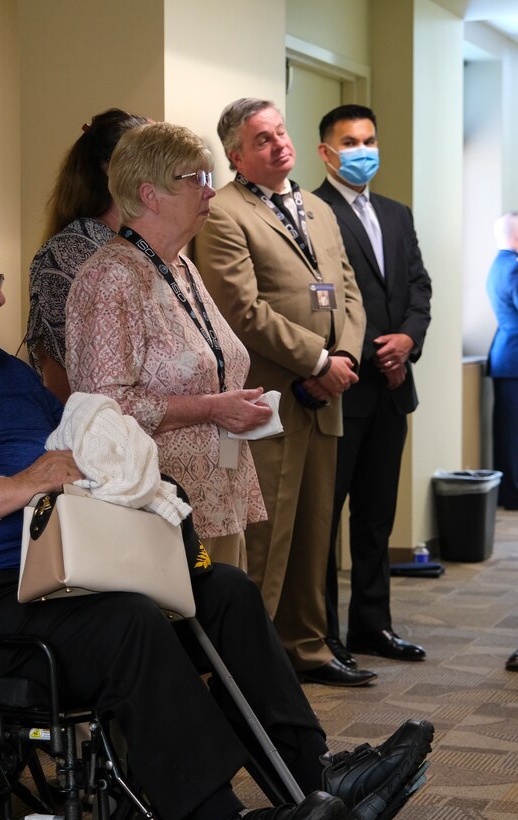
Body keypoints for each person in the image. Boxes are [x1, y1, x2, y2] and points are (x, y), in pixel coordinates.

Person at [0, 218, 434, 820]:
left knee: (224, 592)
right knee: (129, 622)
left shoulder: (4, 375)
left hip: (60, 572)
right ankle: (213, 813)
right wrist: (25, 484)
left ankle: (314, 775)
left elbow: (78, 444)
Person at [191, 99, 373, 687]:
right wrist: (316, 360)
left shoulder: (318, 209)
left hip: (325, 397)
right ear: (237, 155)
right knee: (267, 540)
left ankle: (308, 649)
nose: (279, 145)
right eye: (263, 139)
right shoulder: (222, 213)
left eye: (281, 132)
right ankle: (254, 669)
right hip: (268, 401)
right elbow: (240, 310)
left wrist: (342, 358)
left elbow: (347, 291)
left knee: (315, 535)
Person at [65, 122, 271, 570]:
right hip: (159, 506)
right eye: (194, 179)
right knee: (188, 635)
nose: (210, 192)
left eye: (208, 178)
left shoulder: (181, 268)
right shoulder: (112, 278)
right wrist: (213, 408)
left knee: (227, 629)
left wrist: (233, 404)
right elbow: (105, 409)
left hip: (217, 496)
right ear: (149, 194)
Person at [312, 105, 432, 667]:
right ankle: (323, 634)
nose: (364, 150)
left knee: (377, 516)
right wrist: (370, 352)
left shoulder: (397, 213)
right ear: (327, 152)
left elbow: (417, 288)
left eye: (370, 139)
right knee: (326, 519)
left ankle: (372, 625)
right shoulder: (313, 213)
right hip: (346, 387)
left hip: (393, 388)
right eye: (351, 141)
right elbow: (318, 302)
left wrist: (406, 342)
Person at [26, 108, 147, 402]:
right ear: (113, 168)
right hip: (98, 431)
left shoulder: (147, 246)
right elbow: (67, 375)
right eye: (152, 157)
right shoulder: (70, 251)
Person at [488, 212, 518, 512]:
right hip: (513, 359)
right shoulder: (513, 269)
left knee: (510, 430)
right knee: (511, 433)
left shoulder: (501, 265)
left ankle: (511, 491)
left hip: (508, 357)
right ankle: (512, 493)